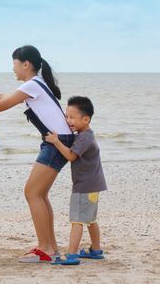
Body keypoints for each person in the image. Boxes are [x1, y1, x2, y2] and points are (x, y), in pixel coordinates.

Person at [0, 45, 73, 263]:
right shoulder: (35, 85)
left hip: (56, 142)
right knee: (39, 194)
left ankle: (45, 249)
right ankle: (50, 247)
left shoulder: (33, 84)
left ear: (25, 64)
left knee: (32, 193)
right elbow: (3, 98)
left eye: (14, 64)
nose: (13, 69)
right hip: (58, 141)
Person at [46, 96, 107, 265]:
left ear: (85, 119)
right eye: (66, 116)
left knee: (77, 220)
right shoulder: (84, 135)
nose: (68, 120)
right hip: (93, 185)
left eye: (72, 117)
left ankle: (71, 255)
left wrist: (56, 141)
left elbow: (71, 156)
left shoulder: (84, 138)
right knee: (90, 219)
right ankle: (96, 250)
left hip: (84, 186)